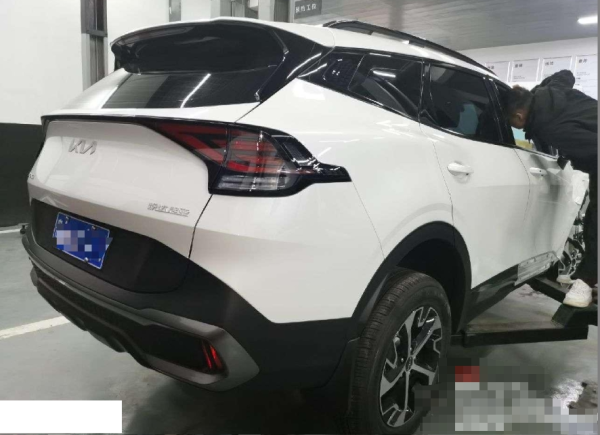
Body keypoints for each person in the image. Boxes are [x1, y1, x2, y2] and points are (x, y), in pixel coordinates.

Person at [506, 70, 597, 306]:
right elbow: (566, 74)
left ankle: (587, 282)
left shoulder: (553, 129)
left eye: (511, 123)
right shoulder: (548, 92)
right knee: (592, 219)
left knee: (596, 224)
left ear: (519, 115)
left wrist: (572, 155)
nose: (514, 127)